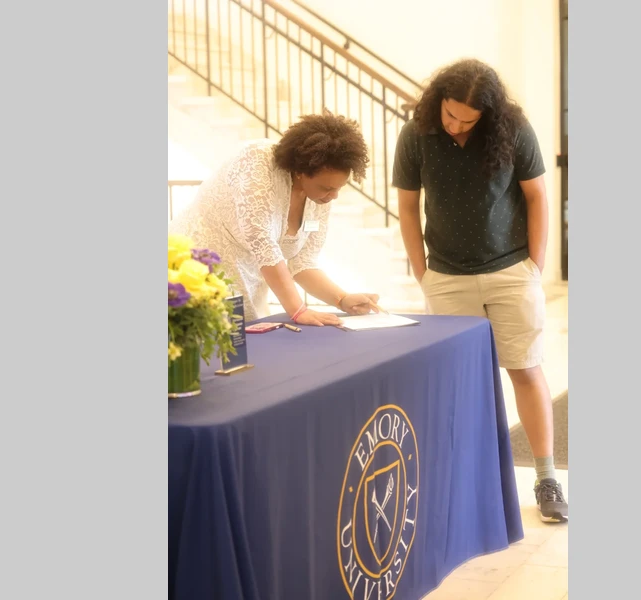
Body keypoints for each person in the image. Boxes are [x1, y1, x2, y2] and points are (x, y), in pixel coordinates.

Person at [392, 59, 567, 522]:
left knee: (525, 370)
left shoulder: (514, 129)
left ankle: (546, 478)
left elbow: (537, 196)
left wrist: (535, 264)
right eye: (451, 115)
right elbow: (408, 207)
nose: (456, 125)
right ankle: (461, 480)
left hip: (511, 270)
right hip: (446, 276)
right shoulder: (416, 134)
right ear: (439, 103)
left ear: (488, 115)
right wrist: (421, 271)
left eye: (468, 120)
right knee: (455, 379)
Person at [169, 113, 383, 326]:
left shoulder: (319, 199)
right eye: (327, 188)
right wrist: (299, 310)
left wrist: (342, 299)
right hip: (195, 269)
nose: (333, 196)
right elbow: (263, 244)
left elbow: (302, 264)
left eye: (339, 188)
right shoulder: (257, 162)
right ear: (300, 171)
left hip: (249, 279)